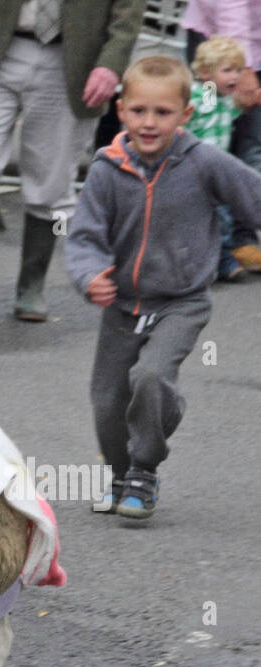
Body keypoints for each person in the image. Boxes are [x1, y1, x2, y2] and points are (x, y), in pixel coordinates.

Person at [65, 55, 261, 520]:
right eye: (139, 111)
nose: (149, 123)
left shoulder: (205, 162)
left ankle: (144, 471)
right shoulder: (106, 169)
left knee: (150, 378)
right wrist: (90, 274)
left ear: (185, 115)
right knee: (108, 399)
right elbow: (85, 236)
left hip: (183, 300)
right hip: (124, 304)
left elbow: (253, 197)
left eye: (163, 112)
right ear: (121, 109)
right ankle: (118, 475)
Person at [0, 0, 143, 322]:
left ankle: (30, 288)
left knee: (52, 179)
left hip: (72, 62)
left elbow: (128, 10)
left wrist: (111, 63)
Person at [182, 1, 261, 272]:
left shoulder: (225, 101)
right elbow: (201, 107)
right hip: (194, 167)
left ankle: (226, 258)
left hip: (218, 168)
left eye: (237, 71)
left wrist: (243, 98)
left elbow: (233, 110)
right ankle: (210, 260)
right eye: (227, 71)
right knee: (200, 215)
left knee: (221, 213)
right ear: (205, 73)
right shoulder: (201, 95)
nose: (234, 77)